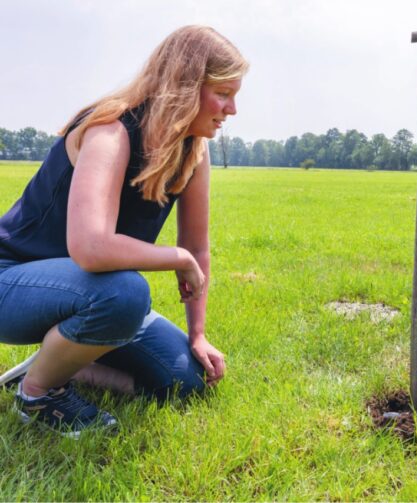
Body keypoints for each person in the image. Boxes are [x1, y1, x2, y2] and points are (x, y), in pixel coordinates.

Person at [0, 25, 248, 437]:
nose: (233, 109)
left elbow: (196, 247)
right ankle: (39, 392)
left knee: (184, 380)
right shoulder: (110, 130)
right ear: (185, 86)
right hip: (12, 281)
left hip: (88, 291)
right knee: (126, 293)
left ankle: (56, 363)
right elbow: (91, 248)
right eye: (223, 93)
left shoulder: (192, 150)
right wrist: (178, 259)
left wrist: (198, 335)